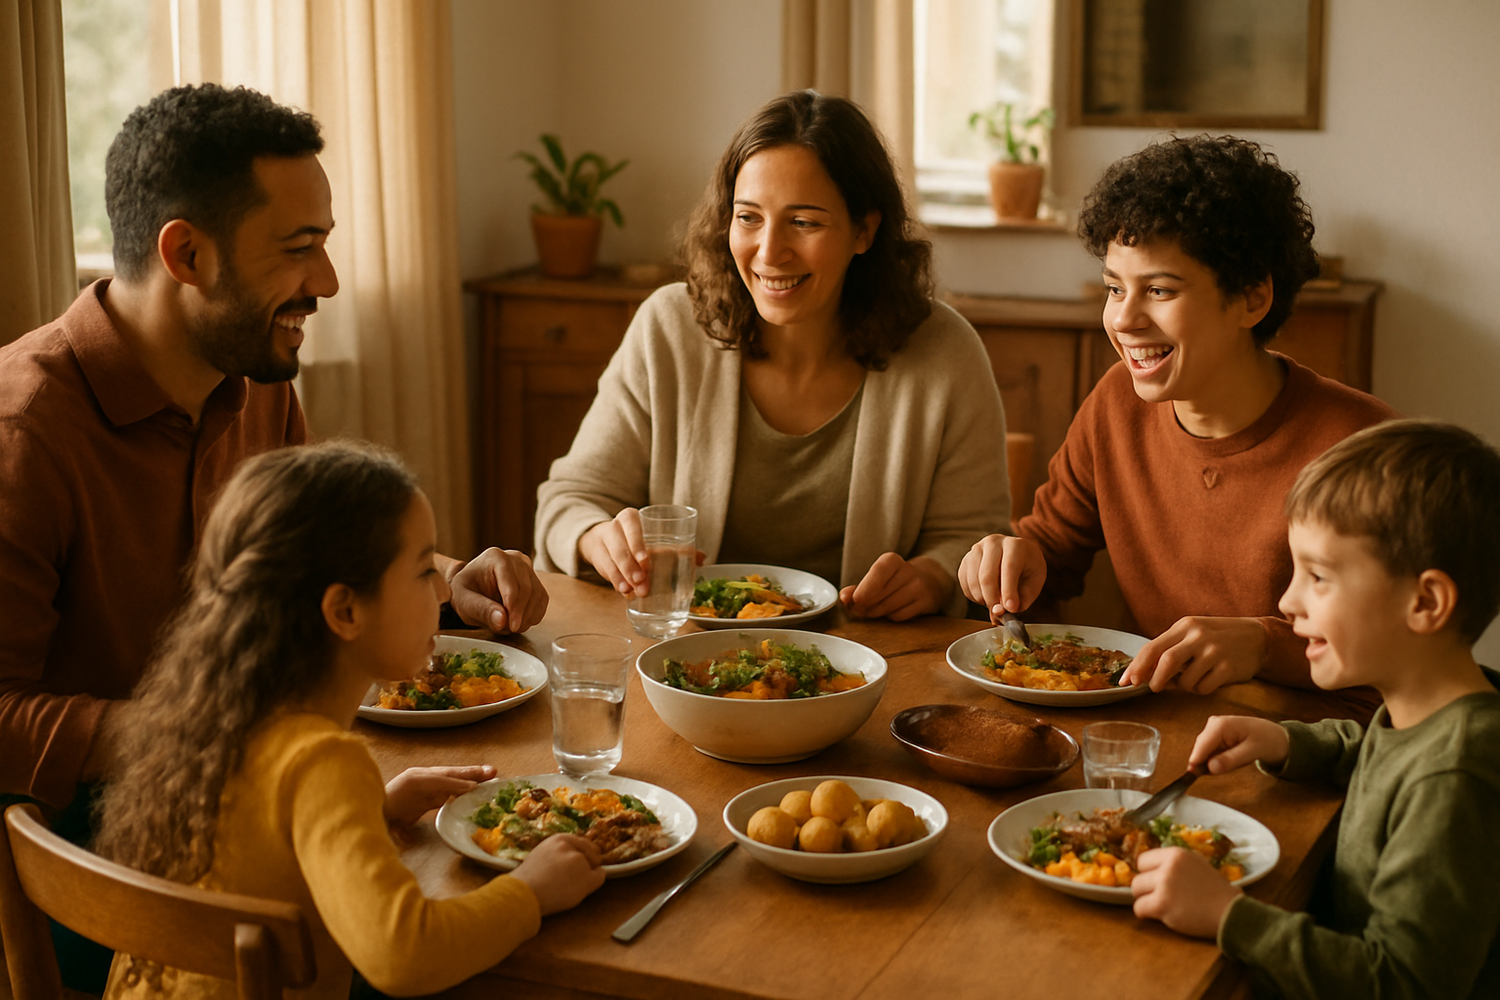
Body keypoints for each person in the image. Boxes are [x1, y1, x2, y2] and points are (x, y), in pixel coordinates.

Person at [0, 83, 546, 818]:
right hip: (99, 863)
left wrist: (450, 580)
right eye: (300, 249)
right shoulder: (23, 429)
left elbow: (322, 553)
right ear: (187, 253)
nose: (328, 281)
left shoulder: (255, 377)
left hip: (261, 796)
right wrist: (225, 735)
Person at [92, 441, 605, 1000]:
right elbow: (404, 955)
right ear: (345, 611)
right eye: (420, 571)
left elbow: (262, 844)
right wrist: (532, 890)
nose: (441, 590)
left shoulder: (226, 718)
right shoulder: (325, 762)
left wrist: (373, 808)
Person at [534, 90, 1009, 620]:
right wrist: (596, 537)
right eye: (749, 217)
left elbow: (973, 537)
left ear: (864, 230)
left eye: (804, 222)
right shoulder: (667, 329)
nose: (769, 251)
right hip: (683, 662)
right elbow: (568, 500)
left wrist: (933, 574)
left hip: (863, 665)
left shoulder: (946, 352)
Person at [958, 135, 1396, 696]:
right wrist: (1012, 560)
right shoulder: (1116, 403)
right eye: (1115, 288)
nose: (1125, 319)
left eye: (1160, 290)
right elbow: (1051, 556)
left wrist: (1263, 643)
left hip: (1319, 750)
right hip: (1159, 730)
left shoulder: (1361, 447)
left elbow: (1393, 644)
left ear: (1252, 299)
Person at [1130, 419, 1500, 998]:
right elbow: (1384, 757)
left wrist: (1229, 917)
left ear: (1425, 602)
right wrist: (1288, 741)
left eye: (1319, 577)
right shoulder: (1428, 710)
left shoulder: (1456, 775)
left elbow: (1403, 983)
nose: (1287, 601)